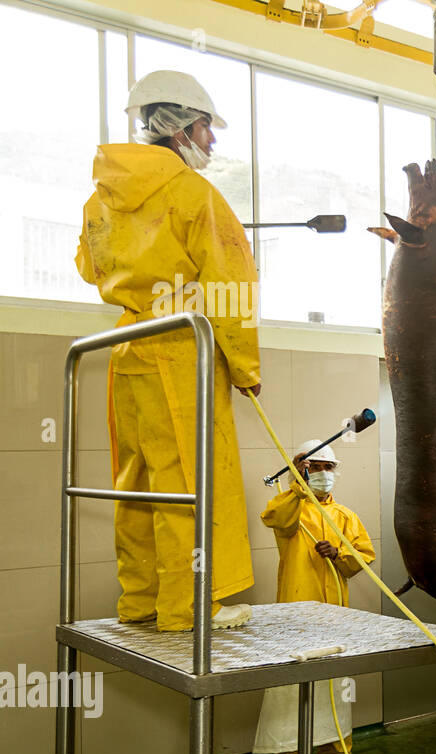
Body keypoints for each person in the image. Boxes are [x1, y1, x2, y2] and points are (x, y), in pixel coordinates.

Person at [75, 70, 261, 632]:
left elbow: (90, 268)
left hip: (126, 351)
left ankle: (140, 601)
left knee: (136, 481)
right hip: (181, 353)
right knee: (186, 482)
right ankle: (187, 608)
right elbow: (232, 284)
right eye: (207, 128)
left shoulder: (100, 197)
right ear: (180, 126)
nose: (212, 141)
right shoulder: (193, 193)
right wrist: (246, 366)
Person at [254, 441, 377, 754]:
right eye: (315, 467)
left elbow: (363, 557)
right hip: (294, 615)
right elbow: (274, 517)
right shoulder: (292, 510)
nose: (323, 474)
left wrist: (339, 553)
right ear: (302, 470)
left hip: (335, 615)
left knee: (335, 686)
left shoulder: (345, 516)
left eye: (328, 467)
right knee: (290, 689)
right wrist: (296, 482)